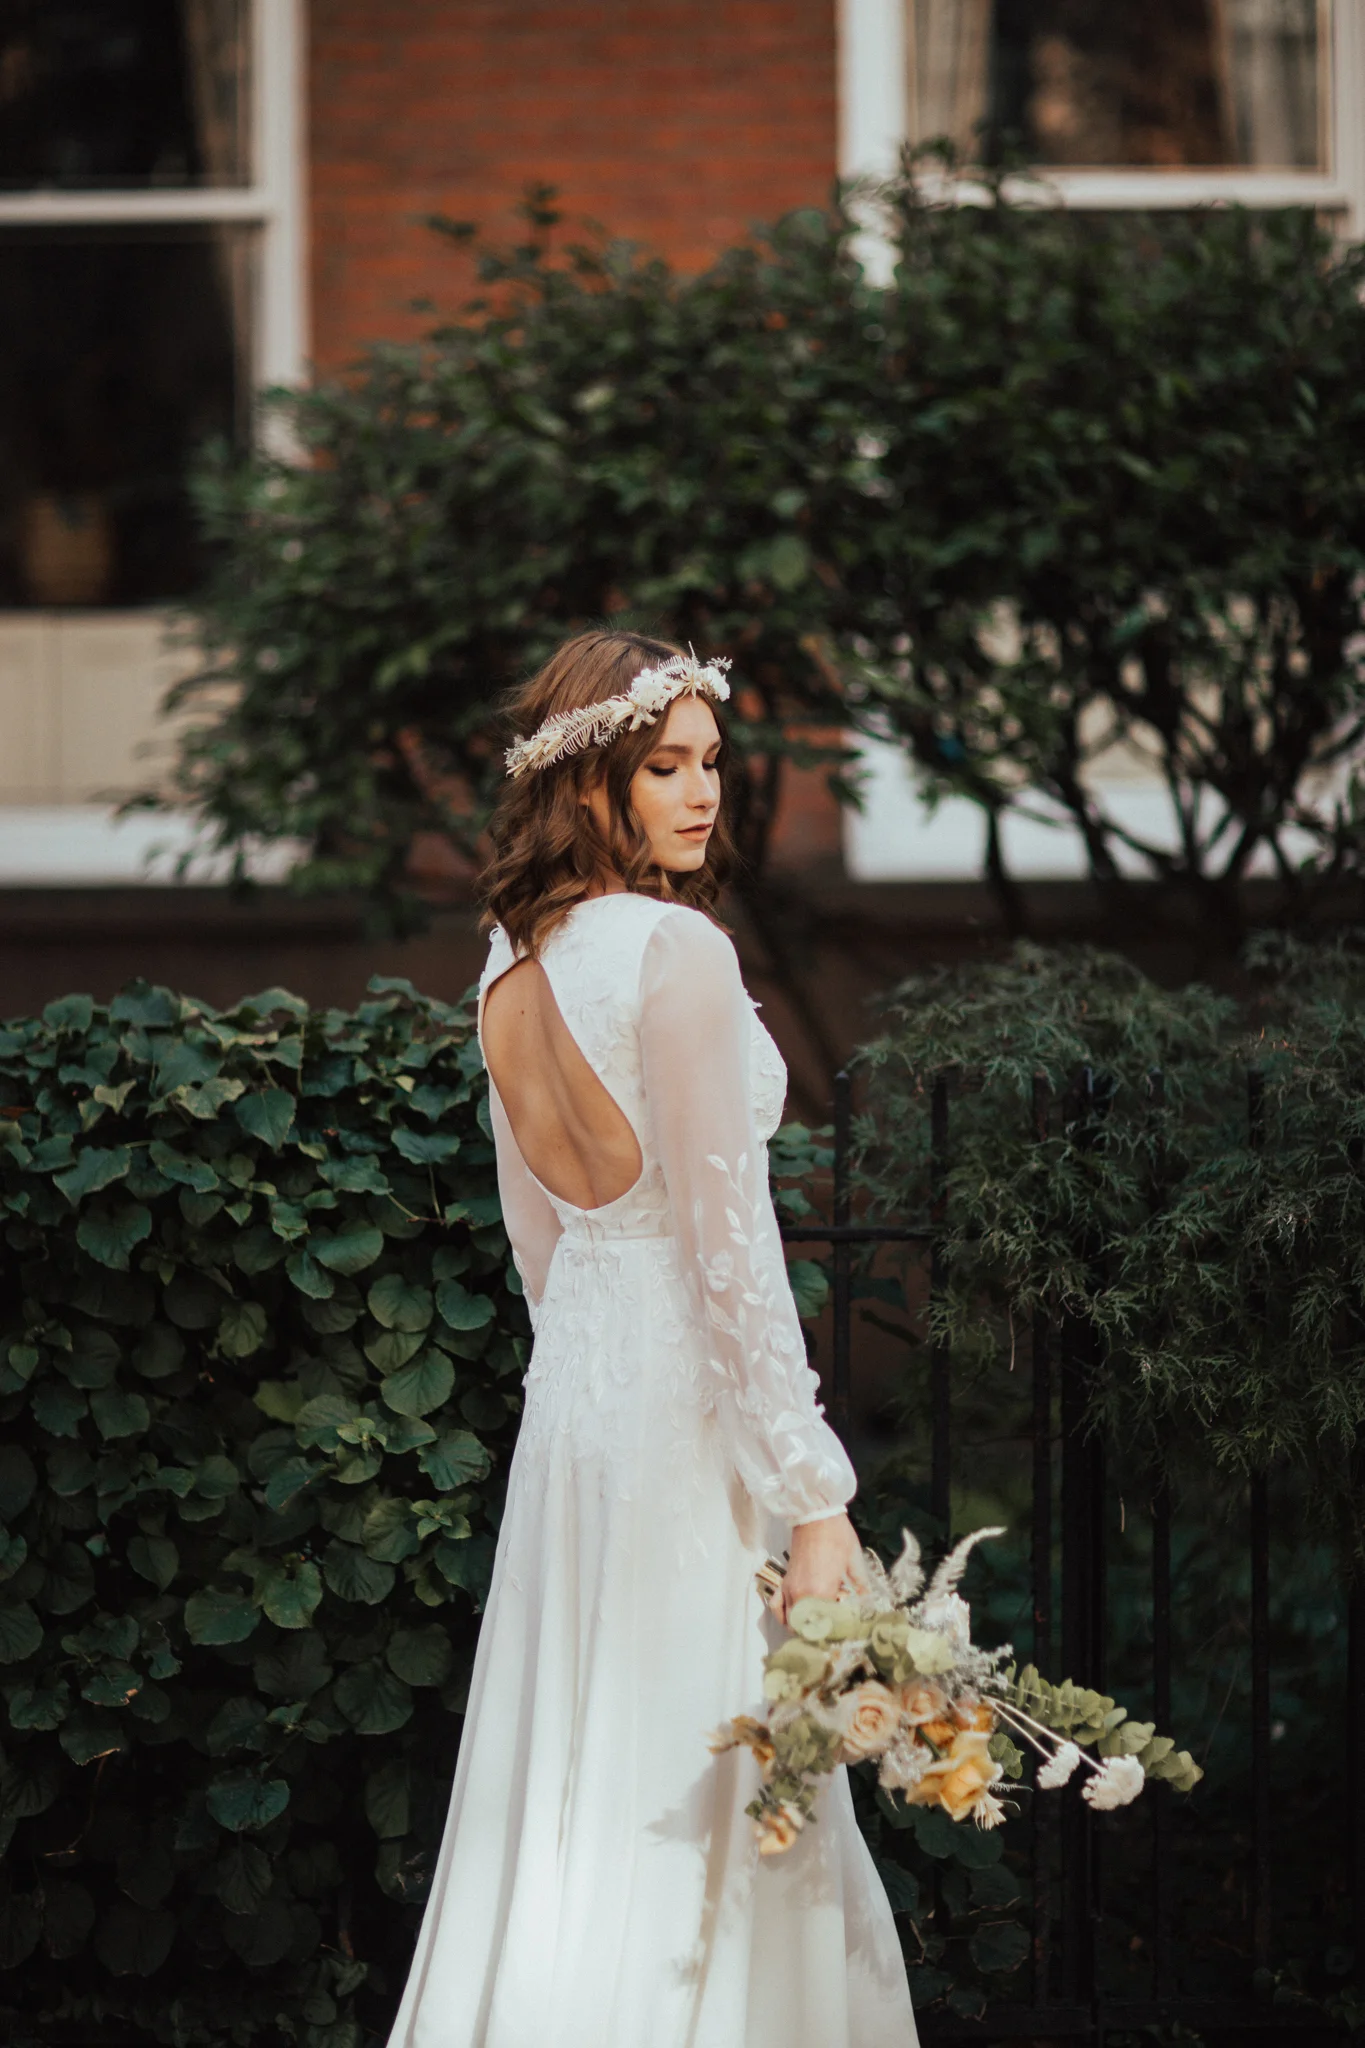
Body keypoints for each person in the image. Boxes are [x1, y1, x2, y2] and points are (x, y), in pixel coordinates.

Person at [384, 631, 917, 2047]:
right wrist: (815, 1499)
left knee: (580, 1771)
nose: (702, 795)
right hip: (680, 1404)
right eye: (664, 766)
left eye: (712, 765)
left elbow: (539, 1242)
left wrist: (596, 1386)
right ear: (589, 783)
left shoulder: (509, 965)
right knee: (705, 1774)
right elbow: (728, 1256)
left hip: (584, 1410)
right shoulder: (673, 951)